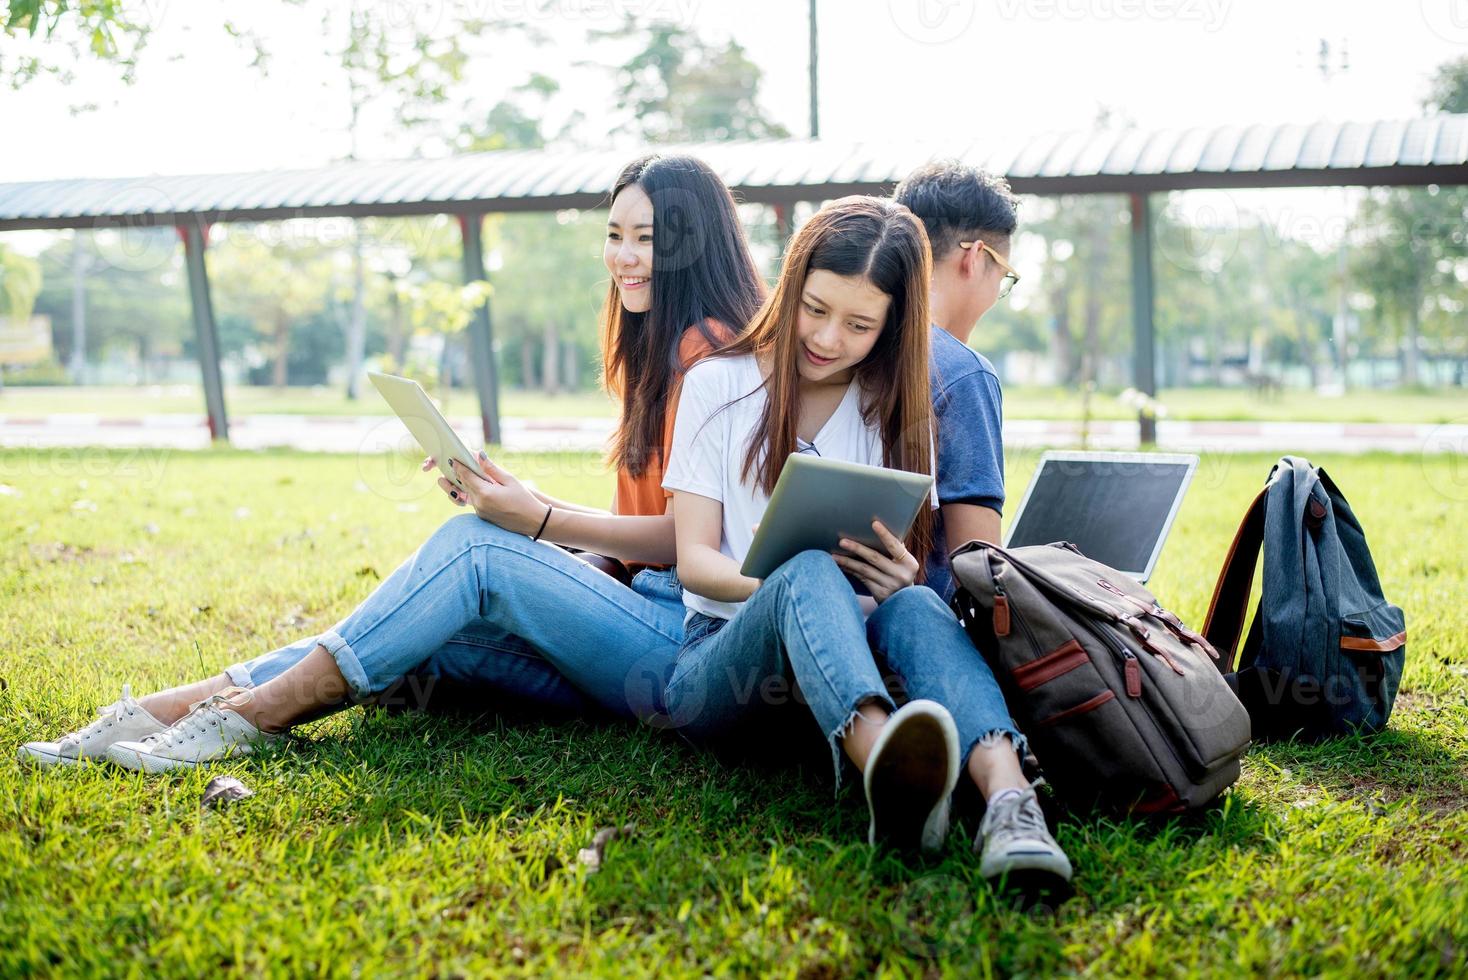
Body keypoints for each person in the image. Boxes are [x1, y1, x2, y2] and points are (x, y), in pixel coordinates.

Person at [18, 153, 765, 772]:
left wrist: (534, 523)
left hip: (684, 641)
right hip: (634, 620)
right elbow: (629, 546)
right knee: (415, 619)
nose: (626, 257)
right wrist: (541, 531)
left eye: (649, 238)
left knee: (471, 550)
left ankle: (247, 719)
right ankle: (163, 711)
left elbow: (685, 542)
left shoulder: (710, 350)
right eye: (614, 235)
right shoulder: (657, 349)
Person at [658, 195, 1071, 883]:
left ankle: (1009, 801)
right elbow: (695, 563)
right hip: (723, 670)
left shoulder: (891, 408)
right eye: (814, 309)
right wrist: (790, 587)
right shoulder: (718, 384)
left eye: (858, 325)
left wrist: (894, 579)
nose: (826, 338)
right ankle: (890, 769)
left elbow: (897, 587)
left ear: (891, 326)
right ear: (791, 287)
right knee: (809, 570)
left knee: (915, 604)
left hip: (843, 661)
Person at [893, 161, 1018, 603]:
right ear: (975, 257)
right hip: (921, 624)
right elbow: (979, 569)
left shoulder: (844, 341)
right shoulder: (963, 373)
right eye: (1004, 278)